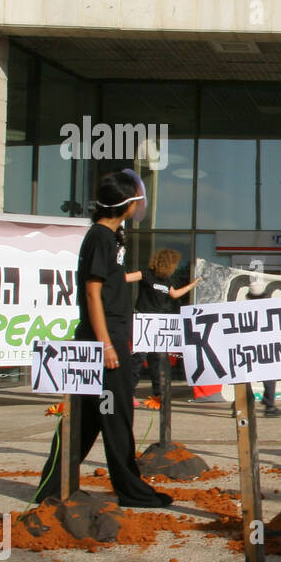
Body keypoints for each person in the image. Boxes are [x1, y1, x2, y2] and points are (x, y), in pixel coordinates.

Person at [36, 171, 172, 508]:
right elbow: (93, 293)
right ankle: (130, 489)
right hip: (105, 342)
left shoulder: (109, 238)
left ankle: (52, 488)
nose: (140, 205)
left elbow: (108, 280)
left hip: (109, 338)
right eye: (137, 200)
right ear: (126, 205)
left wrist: (137, 277)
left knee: (87, 418)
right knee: (115, 417)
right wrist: (107, 345)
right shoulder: (100, 237)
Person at [132, 248, 199, 404]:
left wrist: (192, 286)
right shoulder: (146, 273)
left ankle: (158, 394)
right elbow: (126, 278)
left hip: (158, 322)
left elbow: (174, 294)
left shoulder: (166, 281)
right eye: (173, 264)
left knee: (158, 360)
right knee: (138, 359)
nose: (175, 267)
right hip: (143, 320)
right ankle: (130, 394)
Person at [244, 280, 281, 417]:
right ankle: (269, 405)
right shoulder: (267, 309)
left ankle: (239, 405)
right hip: (263, 348)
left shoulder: (243, 308)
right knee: (269, 376)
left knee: (244, 377)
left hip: (247, 347)